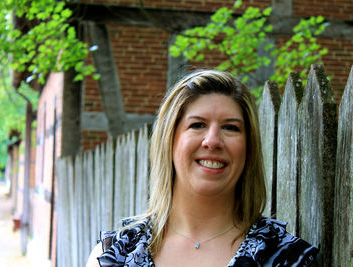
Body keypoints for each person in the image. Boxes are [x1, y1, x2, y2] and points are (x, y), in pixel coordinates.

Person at [86, 70, 318, 266]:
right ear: (170, 140)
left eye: (231, 128)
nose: (213, 140)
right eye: (197, 125)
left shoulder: (287, 258)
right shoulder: (113, 256)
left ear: (248, 148)